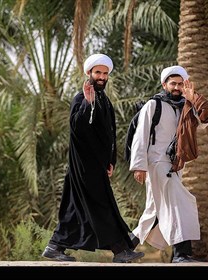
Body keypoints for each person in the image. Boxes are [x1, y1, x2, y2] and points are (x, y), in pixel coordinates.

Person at [42, 54, 145, 263]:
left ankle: (54, 247)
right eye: (98, 72)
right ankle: (120, 249)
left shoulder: (104, 100)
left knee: (75, 209)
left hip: (97, 165)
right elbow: (77, 129)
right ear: (89, 73)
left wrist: (111, 161)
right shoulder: (80, 99)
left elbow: (109, 133)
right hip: (84, 166)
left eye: (105, 73)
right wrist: (87, 103)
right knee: (101, 206)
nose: (102, 77)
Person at [128, 65, 208, 263]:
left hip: (175, 166)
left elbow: (205, 121)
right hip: (156, 163)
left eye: (180, 84)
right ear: (164, 84)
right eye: (172, 83)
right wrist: (139, 166)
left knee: (153, 212)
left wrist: (193, 98)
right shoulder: (153, 105)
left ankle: (123, 247)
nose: (176, 87)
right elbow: (140, 137)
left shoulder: (186, 106)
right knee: (181, 203)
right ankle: (181, 255)